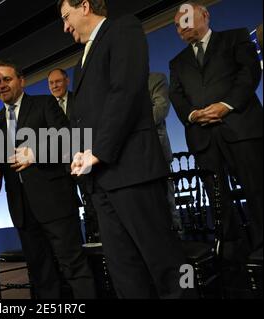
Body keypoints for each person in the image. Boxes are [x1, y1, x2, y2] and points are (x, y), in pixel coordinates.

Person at [59, 0, 191, 298]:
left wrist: (99, 151)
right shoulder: (81, 63)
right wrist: (74, 151)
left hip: (132, 171)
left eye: (67, 17)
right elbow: (83, 119)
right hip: (101, 181)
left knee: (168, 263)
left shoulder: (123, 29)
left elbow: (126, 91)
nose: (65, 26)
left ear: (85, 6)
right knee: (124, 271)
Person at [0, 60, 96, 299]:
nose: (2, 85)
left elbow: (69, 140)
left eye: (7, 79)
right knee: (41, 273)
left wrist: (34, 153)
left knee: (73, 266)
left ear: (21, 80)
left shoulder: (44, 104)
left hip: (55, 203)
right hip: (22, 210)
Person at [170, 3, 263, 260]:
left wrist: (226, 105)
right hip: (203, 137)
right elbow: (176, 96)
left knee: (256, 188)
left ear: (205, 15)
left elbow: (249, 73)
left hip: (241, 128)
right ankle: (232, 248)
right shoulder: (176, 62)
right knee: (217, 197)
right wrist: (192, 114)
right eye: (177, 25)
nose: (180, 28)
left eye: (185, 20)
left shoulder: (235, 38)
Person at [48, 68, 100, 243]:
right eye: (51, 83)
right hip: (61, 167)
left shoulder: (79, 100)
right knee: (68, 209)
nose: (55, 86)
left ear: (67, 81)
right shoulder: (46, 106)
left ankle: (97, 241)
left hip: (83, 161)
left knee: (92, 203)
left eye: (58, 81)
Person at [149, 73, 182, 233]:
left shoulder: (156, 79)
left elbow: (160, 110)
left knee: (167, 199)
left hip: (157, 149)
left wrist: (129, 123)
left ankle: (177, 239)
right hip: (130, 156)